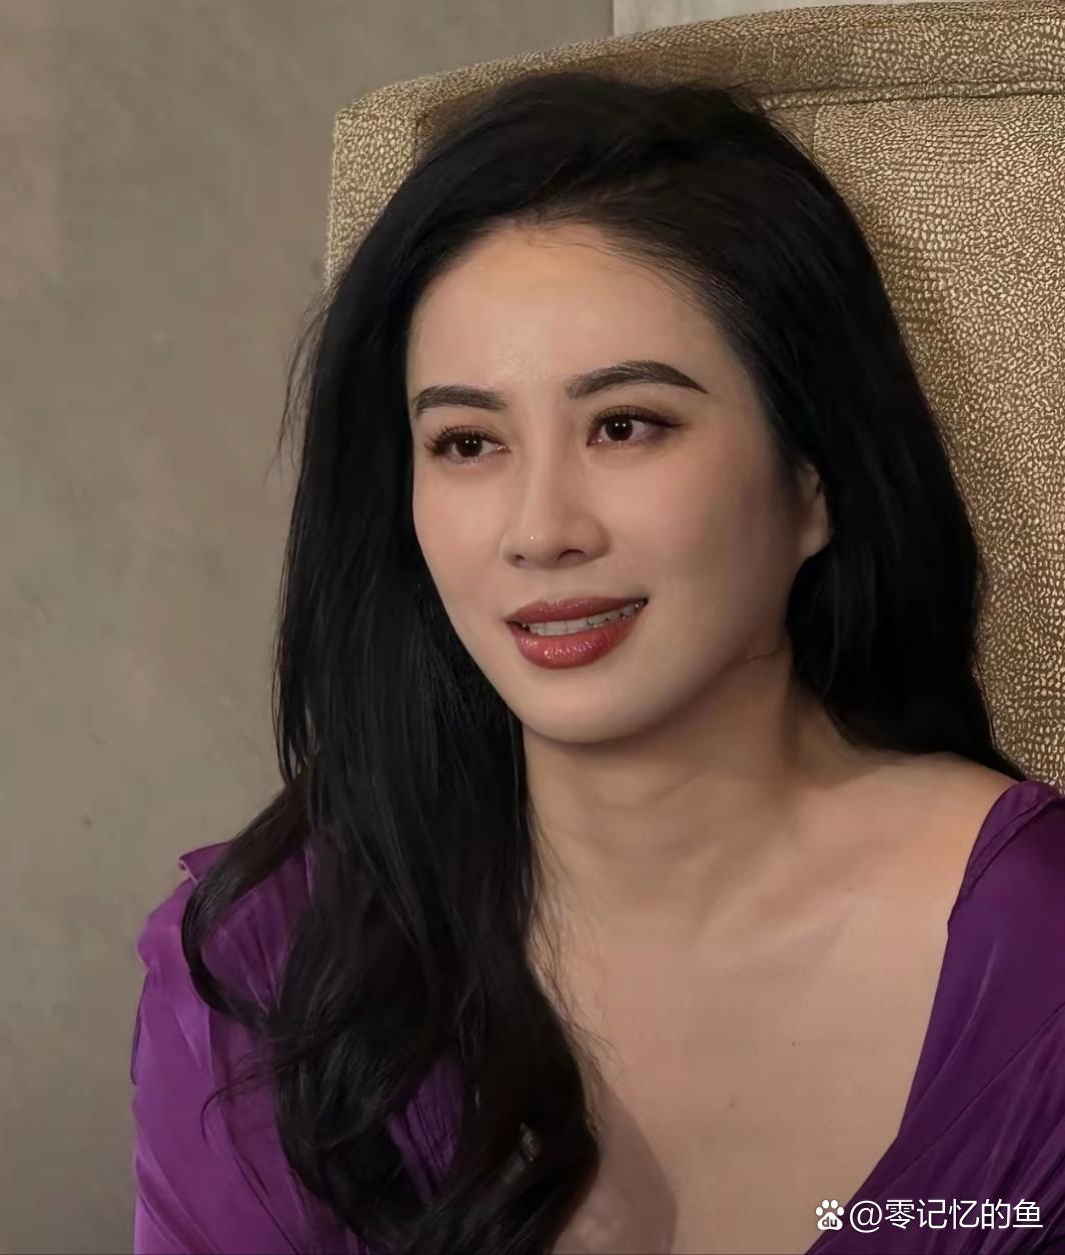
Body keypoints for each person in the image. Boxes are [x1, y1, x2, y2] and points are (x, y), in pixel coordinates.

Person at [128, 67, 1065, 1255]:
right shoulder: (265, 970)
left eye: (626, 426)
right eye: (466, 443)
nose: (540, 529)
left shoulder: (1039, 954)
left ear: (814, 477)